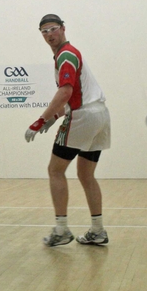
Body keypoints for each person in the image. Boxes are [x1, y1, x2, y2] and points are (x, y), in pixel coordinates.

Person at [25, 14, 111, 247]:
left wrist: (40, 120)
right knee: (85, 174)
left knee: (55, 170)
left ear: (63, 29)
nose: (49, 34)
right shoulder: (69, 54)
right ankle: (98, 230)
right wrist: (55, 115)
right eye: (44, 31)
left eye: (52, 29)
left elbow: (65, 92)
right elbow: (75, 96)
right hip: (100, 115)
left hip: (83, 117)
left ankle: (61, 229)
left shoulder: (66, 55)